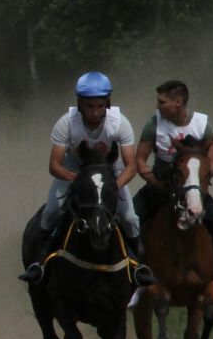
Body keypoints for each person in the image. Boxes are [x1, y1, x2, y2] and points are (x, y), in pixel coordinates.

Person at [17, 71, 153, 285]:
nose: (95, 112)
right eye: (90, 106)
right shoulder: (66, 124)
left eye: (100, 106)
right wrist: (78, 179)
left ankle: (140, 266)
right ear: (80, 103)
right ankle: (39, 262)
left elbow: (131, 166)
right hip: (75, 170)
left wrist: (112, 186)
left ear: (107, 103)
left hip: (110, 172)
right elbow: (54, 165)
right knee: (51, 210)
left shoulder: (120, 123)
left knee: (129, 217)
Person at [134, 79, 213, 277]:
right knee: (128, 223)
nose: (157, 106)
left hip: (192, 190)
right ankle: (136, 277)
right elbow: (140, 161)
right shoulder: (153, 125)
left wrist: (194, 179)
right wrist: (157, 182)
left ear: (177, 102)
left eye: (162, 102)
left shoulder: (202, 125)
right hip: (159, 189)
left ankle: (212, 278)